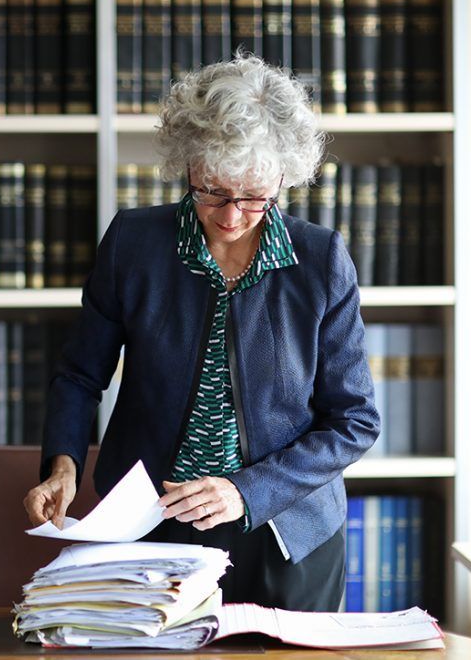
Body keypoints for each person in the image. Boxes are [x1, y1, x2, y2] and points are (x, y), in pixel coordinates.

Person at [24, 55, 380, 611]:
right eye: (213, 191)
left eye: (254, 196)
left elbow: (355, 420)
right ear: (187, 163)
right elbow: (78, 373)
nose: (233, 215)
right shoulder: (134, 244)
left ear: (283, 176)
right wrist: (63, 465)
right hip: (152, 523)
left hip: (285, 533)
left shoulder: (321, 259)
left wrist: (245, 492)